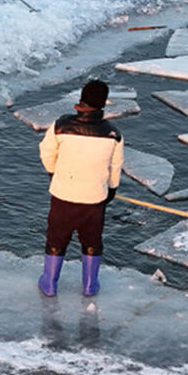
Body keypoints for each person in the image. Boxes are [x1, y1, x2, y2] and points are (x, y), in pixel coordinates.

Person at [37, 80, 124, 297]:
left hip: (63, 195)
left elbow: (46, 152)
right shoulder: (113, 134)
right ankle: (89, 285)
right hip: (94, 198)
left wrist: (54, 173)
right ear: (103, 103)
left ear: (81, 99)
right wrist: (111, 189)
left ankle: (49, 283)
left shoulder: (61, 126)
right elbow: (116, 166)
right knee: (92, 241)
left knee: (56, 239)